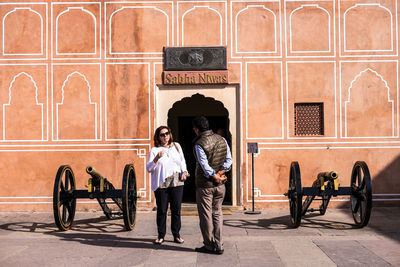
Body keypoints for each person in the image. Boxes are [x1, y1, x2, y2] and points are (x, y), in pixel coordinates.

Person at [192, 116, 232, 255]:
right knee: (218, 213)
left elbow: (204, 165)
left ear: (197, 129)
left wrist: (214, 175)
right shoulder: (222, 139)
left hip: (205, 186)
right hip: (220, 184)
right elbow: (229, 161)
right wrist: (220, 174)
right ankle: (219, 245)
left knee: (206, 216)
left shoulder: (199, 143)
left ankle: (209, 245)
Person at [146, 126, 188, 245]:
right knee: (162, 210)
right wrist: (156, 158)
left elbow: (182, 161)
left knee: (176, 209)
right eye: (162, 135)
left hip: (177, 181)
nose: (165, 136)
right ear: (158, 137)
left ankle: (176, 235)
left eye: (167, 133)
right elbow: (149, 168)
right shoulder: (155, 150)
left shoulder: (176, 146)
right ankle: (161, 235)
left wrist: (184, 171)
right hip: (161, 183)